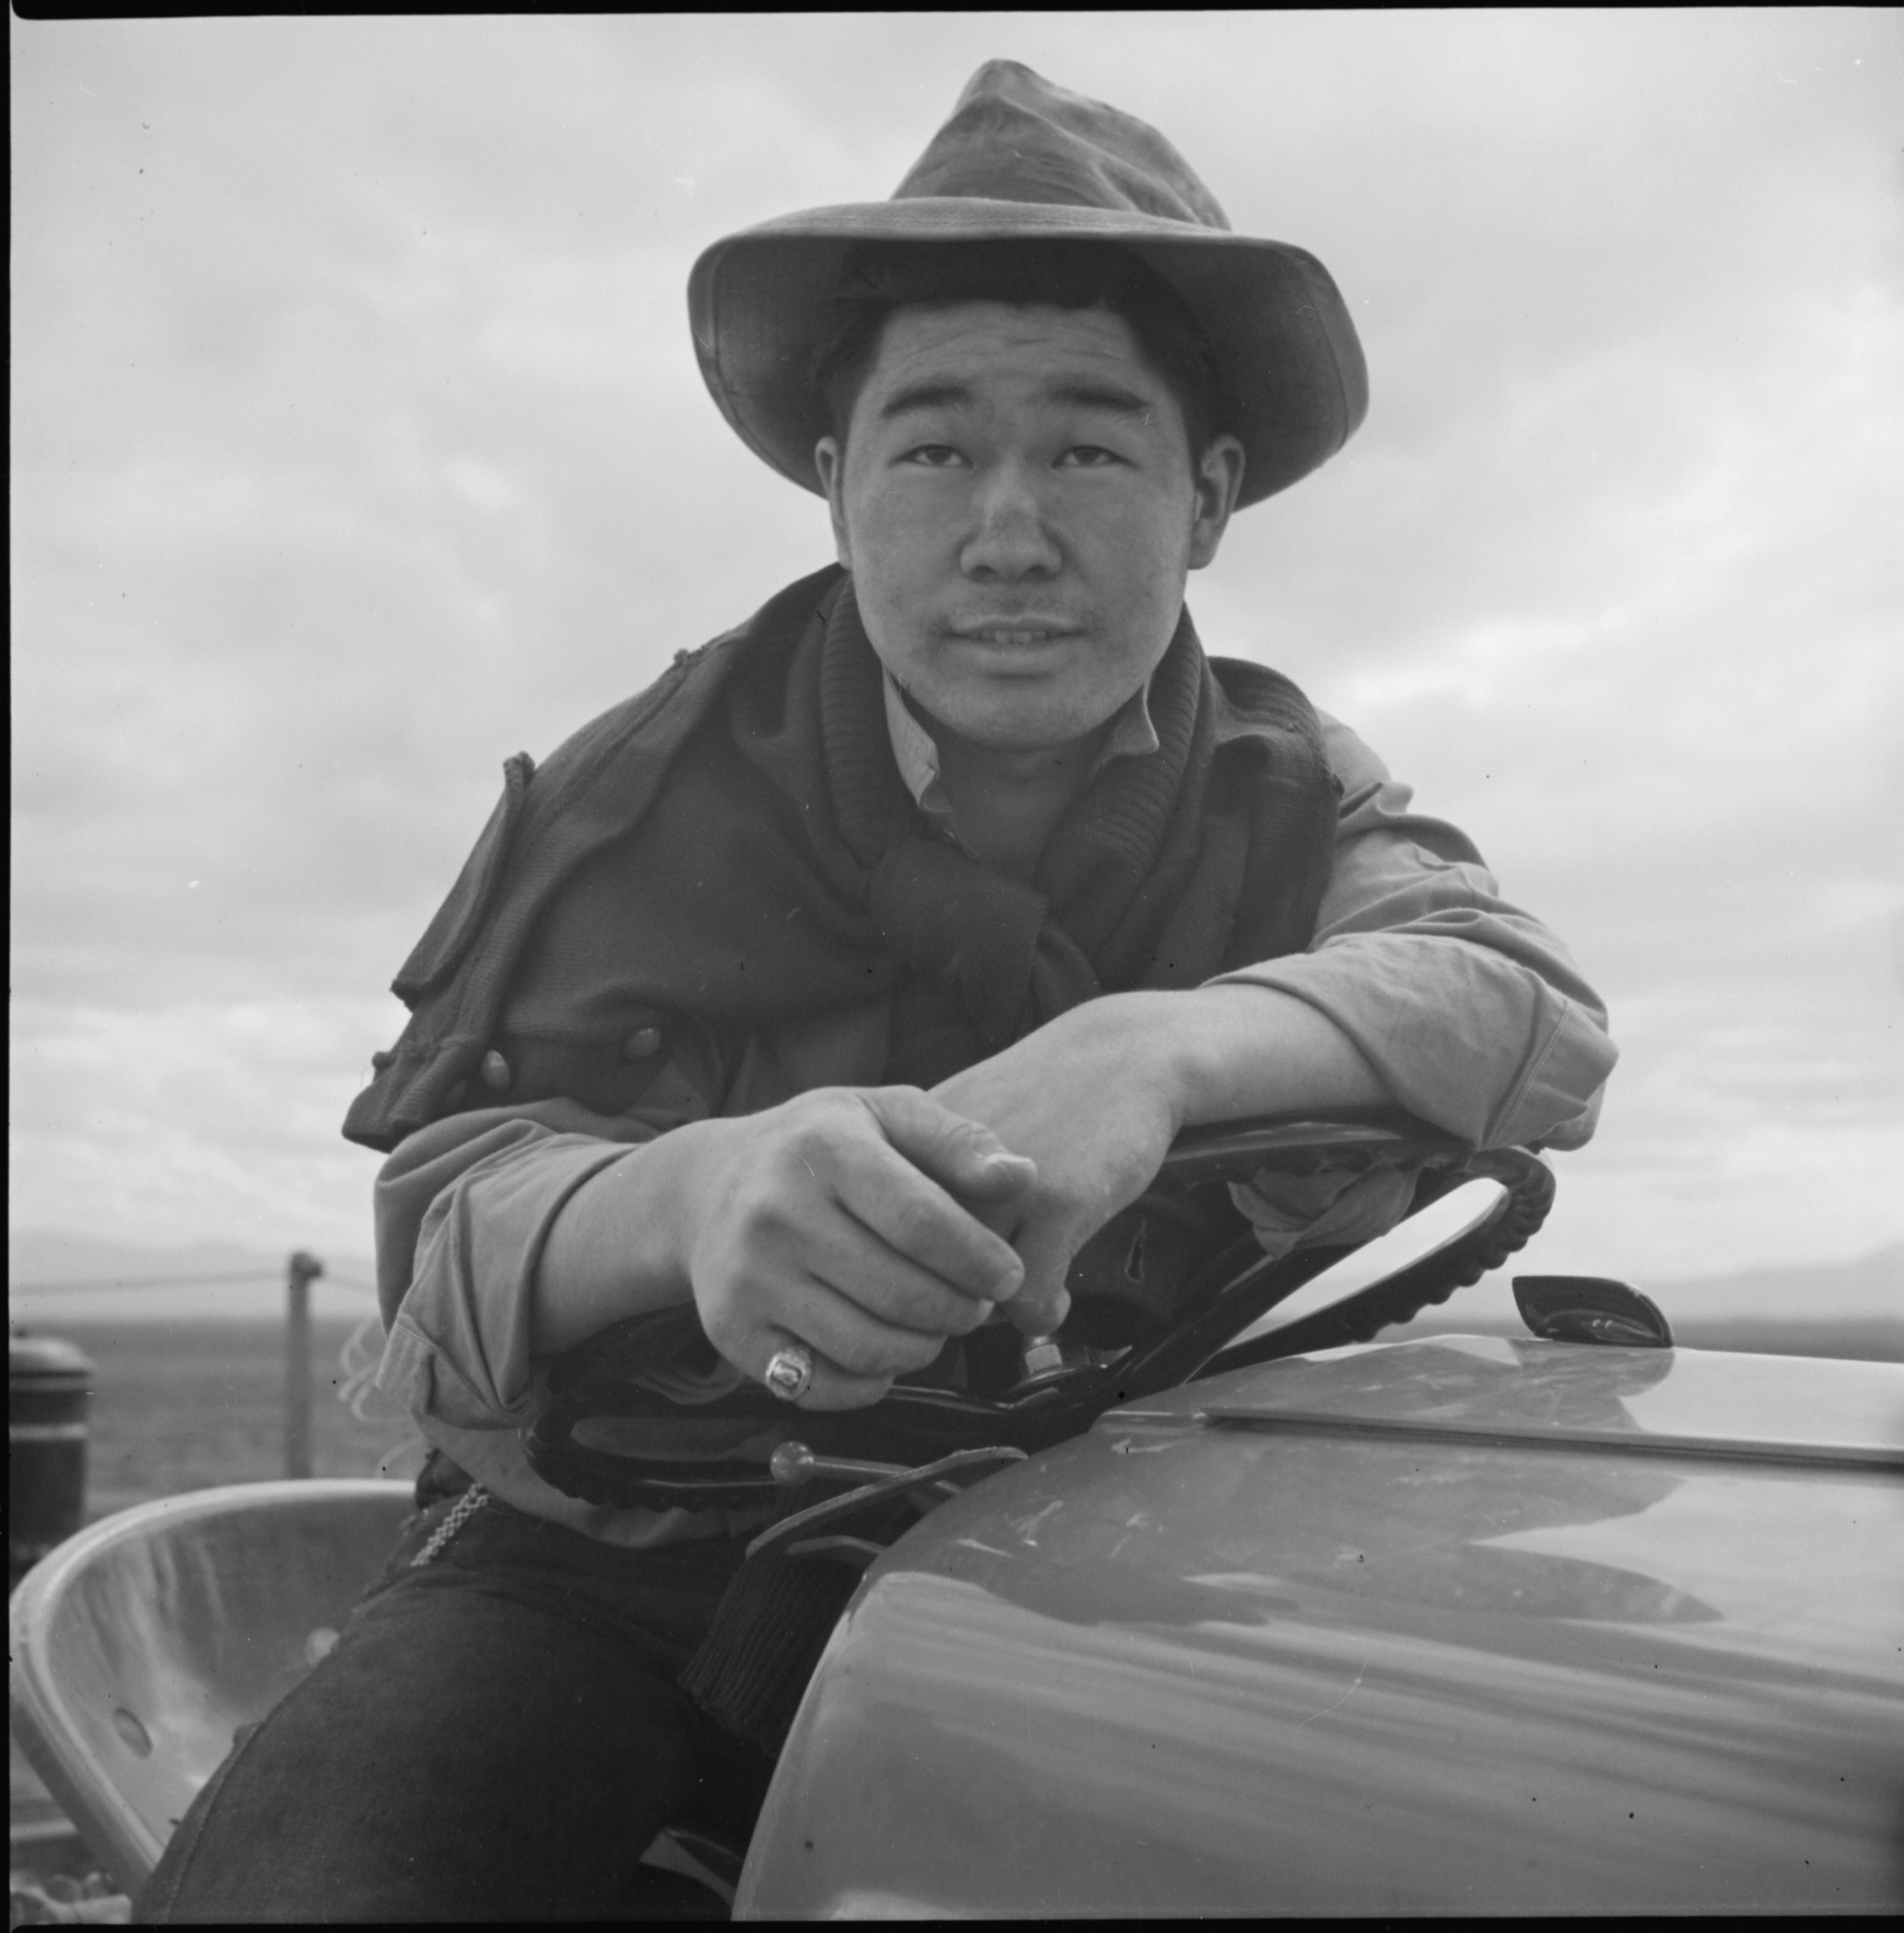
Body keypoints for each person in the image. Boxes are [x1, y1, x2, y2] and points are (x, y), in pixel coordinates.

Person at [138, 59, 1616, 1922]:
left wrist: (1150, 1047)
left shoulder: (1290, 785)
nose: (1009, 529)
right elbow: (446, 1214)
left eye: (1090, 445)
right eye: (932, 448)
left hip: (1129, 1536)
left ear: (1211, 495)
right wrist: (694, 1195)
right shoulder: (630, 794)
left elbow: (1515, 997)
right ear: (837, 485)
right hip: (618, 1568)